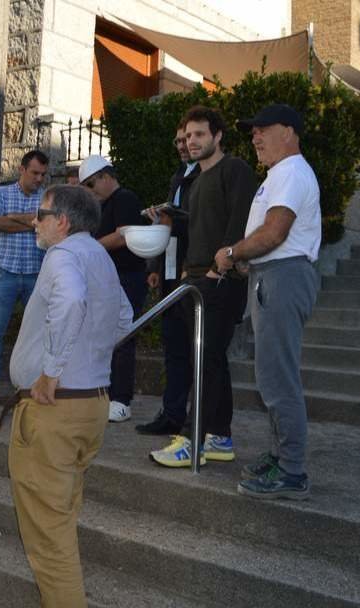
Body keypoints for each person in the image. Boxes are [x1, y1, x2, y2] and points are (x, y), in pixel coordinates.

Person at [6, 185, 133, 608]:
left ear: (61, 221)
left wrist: (52, 372)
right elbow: (124, 318)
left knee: (48, 536)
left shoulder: (62, 255)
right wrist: (89, 357)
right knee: (60, 519)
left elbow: (73, 300)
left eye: (40, 215)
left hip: (53, 410)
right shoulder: (99, 257)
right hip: (90, 404)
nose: (34, 222)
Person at [217, 104, 321, 500]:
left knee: (278, 378)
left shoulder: (292, 171)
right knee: (272, 375)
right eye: (252, 130)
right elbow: (272, 238)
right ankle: (281, 455)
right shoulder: (281, 174)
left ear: (289, 132)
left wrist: (232, 252)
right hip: (274, 275)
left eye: (263, 129)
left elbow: (275, 232)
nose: (255, 136)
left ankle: (292, 470)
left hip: (284, 277)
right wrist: (249, 260)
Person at [150, 105, 257, 468]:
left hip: (221, 280)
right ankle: (220, 438)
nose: (192, 141)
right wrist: (185, 273)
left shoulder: (235, 169)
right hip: (195, 279)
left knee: (206, 359)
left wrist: (217, 269)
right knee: (210, 360)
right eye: (188, 135)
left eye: (199, 134)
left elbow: (240, 222)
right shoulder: (194, 181)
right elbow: (196, 232)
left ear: (217, 136)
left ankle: (194, 439)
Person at [137, 125, 201, 435]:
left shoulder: (206, 175)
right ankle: (172, 414)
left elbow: (199, 222)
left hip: (194, 272)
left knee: (195, 350)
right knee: (173, 347)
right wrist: (156, 266)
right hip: (171, 271)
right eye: (177, 140)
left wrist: (171, 217)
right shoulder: (179, 176)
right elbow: (168, 226)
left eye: (187, 139)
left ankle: (196, 418)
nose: (182, 145)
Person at [0, 149, 50, 404]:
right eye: (34, 173)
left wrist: (13, 218)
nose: (39, 179)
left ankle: (32, 385)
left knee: (36, 331)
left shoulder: (47, 198)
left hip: (34, 274)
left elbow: (46, 226)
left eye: (43, 174)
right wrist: (32, 221)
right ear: (21, 169)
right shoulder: (2, 192)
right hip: (4, 272)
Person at [79, 154, 147, 423]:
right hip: (110, 278)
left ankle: (121, 399)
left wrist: (88, 249)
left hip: (127, 277)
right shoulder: (104, 204)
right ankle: (105, 394)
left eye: (91, 184)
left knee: (123, 337)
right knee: (105, 337)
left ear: (106, 177)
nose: (90, 191)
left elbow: (122, 235)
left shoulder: (125, 199)